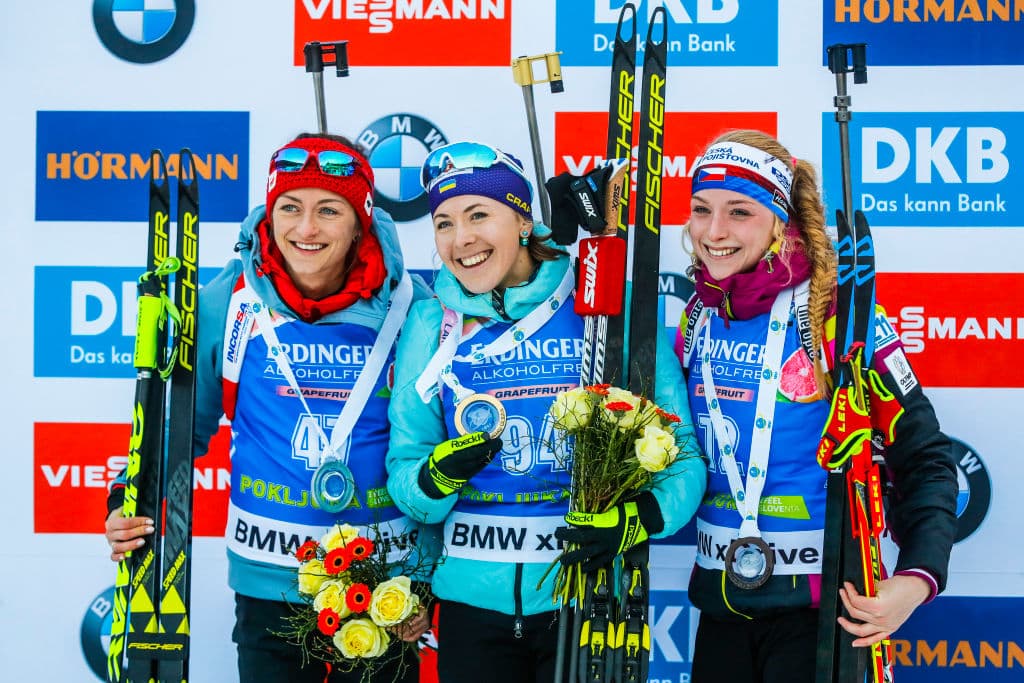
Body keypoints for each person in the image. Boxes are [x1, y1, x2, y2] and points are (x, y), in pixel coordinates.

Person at [104, 133, 435, 682]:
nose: (305, 230)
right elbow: (182, 428)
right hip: (270, 577)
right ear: (270, 211)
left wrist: (424, 577)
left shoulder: (412, 307)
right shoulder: (226, 301)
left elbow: (433, 447)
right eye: (290, 207)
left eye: (329, 210)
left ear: (361, 221)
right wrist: (126, 497)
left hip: (386, 583)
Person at [385, 141, 707, 683]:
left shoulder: (602, 303)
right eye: (443, 223)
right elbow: (406, 470)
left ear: (522, 219)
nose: (461, 239)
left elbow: (682, 459)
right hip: (470, 606)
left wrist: (630, 525)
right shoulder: (429, 323)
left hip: (586, 598)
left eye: (479, 215)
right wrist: (434, 478)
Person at [675, 129, 958, 683]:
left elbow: (924, 457)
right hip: (720, 603)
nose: (714, 232)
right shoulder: (697, 318)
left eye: (739, 212)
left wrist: (918, 577)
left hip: (824, 609)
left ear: (781, 223)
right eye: (701, 210)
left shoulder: (838, 320)